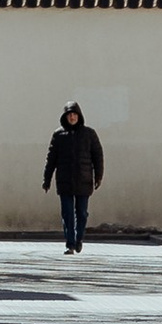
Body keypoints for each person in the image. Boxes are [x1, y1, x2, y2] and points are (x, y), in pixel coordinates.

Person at [45, 102, 104, 254]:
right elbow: (51, 158)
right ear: (65, 117)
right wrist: (47, 179)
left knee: (82, 213)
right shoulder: (58, 135)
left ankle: (79, 239)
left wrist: (98, 176)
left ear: (79, 116)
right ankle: (70, 244)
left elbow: (98, 156)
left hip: (83, 180)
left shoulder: (89, 134)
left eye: (74, 114)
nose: (72, 117)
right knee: (67, 214)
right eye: (69, 115)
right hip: (64, 181)